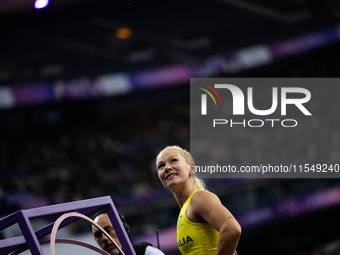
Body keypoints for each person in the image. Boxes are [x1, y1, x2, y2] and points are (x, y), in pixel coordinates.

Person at [156, 145, 241, 255]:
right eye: (161, 166)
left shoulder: (199, 198)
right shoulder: (184, 211)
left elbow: (232, 229)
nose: (167, 167)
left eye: (173, 161)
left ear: (191, 168)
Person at [92, 211, 166, 255]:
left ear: (123, 229)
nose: (104, 238)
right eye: (98, 235)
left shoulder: (146, 252)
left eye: (108, 231)